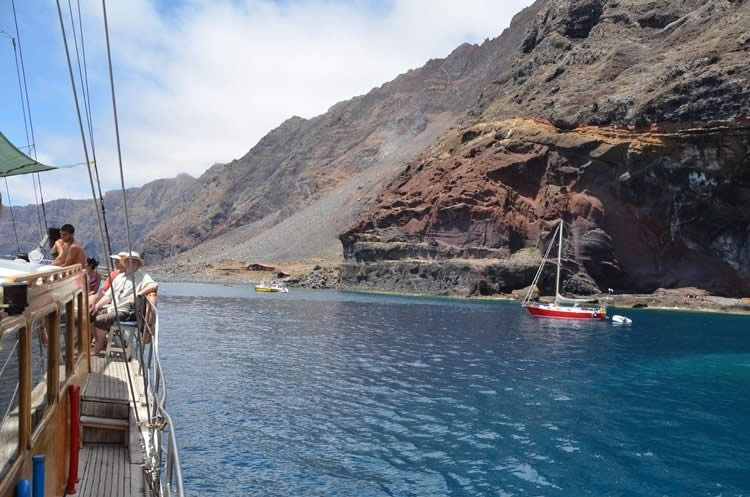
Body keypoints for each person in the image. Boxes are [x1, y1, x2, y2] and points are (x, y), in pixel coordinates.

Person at [89, 252, 157, 355]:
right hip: (112, 308)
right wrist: (96, 306)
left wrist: (138, 294)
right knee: (90, 314)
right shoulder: (119, 277)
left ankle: (98, 346)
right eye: (128, 262)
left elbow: (154, 285)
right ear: (124, 263)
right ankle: (101, 341)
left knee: (100, 320)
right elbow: (108, 296)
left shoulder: (142, 276)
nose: (131, 264)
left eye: (134, 262)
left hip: (126, 312)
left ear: (138, 265)